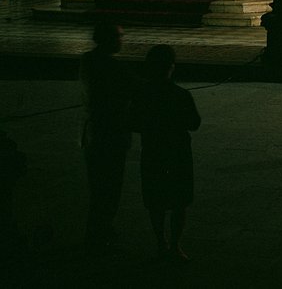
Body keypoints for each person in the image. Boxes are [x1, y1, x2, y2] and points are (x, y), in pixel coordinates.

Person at [131, 44, 201, 261]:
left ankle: (161, 240)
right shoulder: (180, 95)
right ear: (171, 67)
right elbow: (194, 123)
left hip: (153, 149)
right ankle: (175, 245)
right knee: (179, 201)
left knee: (156, 199)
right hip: (177, 150)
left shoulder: (143, 94)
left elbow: (133, 122)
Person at [79, 20, 132, 252]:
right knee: (109, 186)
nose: (122, 41)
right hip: (112, 131)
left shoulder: (88, 60)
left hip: (94, 130)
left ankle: (97, 228)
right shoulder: (114, 68)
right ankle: (100, 230)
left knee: (98, 184)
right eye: (119, 36)